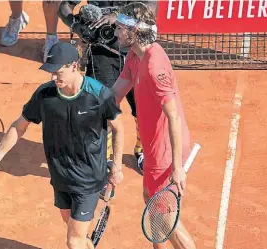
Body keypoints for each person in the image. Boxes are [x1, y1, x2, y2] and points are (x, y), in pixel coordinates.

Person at [0, 42, 124, 249]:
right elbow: (18, 127)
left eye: (58, 72)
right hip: (60, 177)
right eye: (50, 73)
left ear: (74, 66)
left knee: (73, 241)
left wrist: (117, 167)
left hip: (88, 179)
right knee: (77, 234)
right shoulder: (45, 95)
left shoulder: (98, 95)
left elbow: (119, 127)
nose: (53, 78)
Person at [111, 3, 197, 249]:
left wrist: (177, 167)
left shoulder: (153, 66)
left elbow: (174, 118)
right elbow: (115, 94)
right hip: (152, 148)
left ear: (135, 31)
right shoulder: (134, 56)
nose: (116, 31)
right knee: (151, 202)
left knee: (167, 220)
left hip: (166, 152)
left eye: (120, 27)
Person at [58, 0, 158, 175]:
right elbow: (64, 6)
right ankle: (105, 160)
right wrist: (76, 26)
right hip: (101, 53)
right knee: (102, 111)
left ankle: (142, 150)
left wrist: (118, 16)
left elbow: (151, 6)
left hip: (137, 53)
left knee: (143, 109)